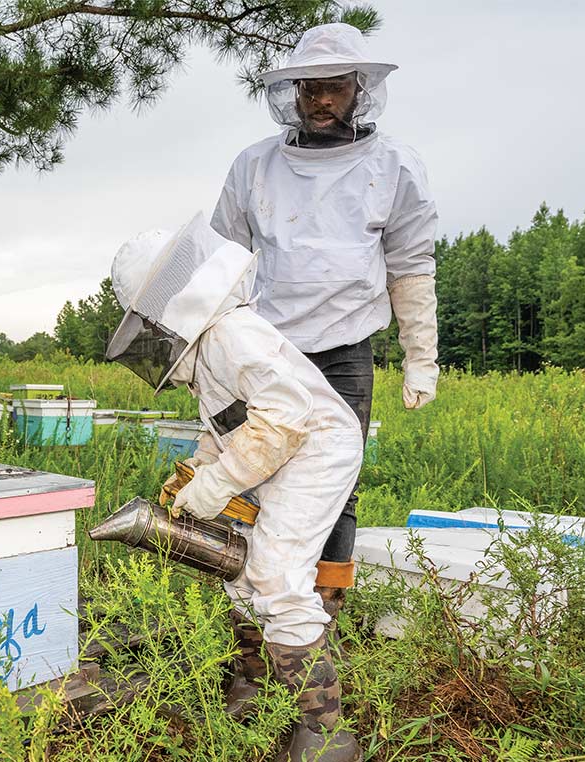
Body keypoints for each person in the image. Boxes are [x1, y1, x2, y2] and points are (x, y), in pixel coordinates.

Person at [211, 21, 439, 643]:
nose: (320, 100)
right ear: (293, 92)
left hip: (343, 351)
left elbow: (413, 266)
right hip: (264, 350)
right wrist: (213, 356)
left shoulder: (393, 165)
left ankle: (317, 622)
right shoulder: (254, 165)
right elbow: (222, 264)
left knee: (335, 487)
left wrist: (422, 359)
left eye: (334, 87)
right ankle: (252, 626)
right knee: (250, 476)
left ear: (359, 89)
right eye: (310, 87)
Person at [107, 212, 364, 761]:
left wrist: (218, 484)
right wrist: (200, 476)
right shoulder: (207, 347)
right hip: (281, 453)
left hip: (317, 449)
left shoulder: (232, 332)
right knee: (238, 570)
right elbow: (224, 429)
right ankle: (254, 684)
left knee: (274, 572)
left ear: (165, 305)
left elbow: (285, 418)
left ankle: (326, 732)